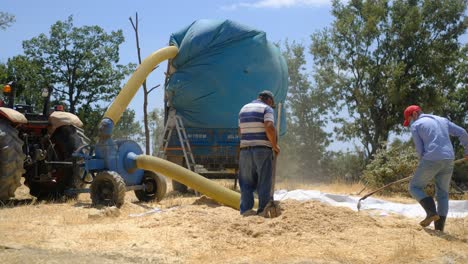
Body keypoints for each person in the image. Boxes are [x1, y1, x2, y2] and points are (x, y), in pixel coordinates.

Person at [403, 105, 468, 231]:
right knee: (443, 193)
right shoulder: (442, 120)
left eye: (409, 119)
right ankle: (439, 229)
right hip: (449, 159)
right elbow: (463, 133)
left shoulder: (416, 125)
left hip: (431, 159)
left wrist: (423, 165)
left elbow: (420, 149)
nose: (410, 122)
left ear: (415, 114)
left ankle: (431, 212)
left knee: (414, 187)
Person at [238, 90, 280, 215]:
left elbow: (240, 131)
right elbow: (269, 126)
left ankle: (246, 211)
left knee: (245, 183)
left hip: (245, 150)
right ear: (269, 100)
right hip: (262, 149)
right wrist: (274, 146)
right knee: (264, 181)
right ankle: (263, 210)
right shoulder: (267, 109)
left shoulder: (243, 109)